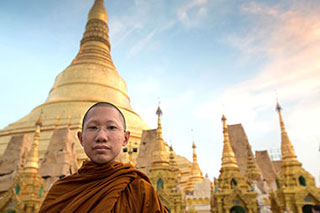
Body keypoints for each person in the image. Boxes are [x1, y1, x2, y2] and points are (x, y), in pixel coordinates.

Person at [39, 102, 167, 212]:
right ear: (81, 138)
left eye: (111, 127)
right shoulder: (61, 192)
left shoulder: (139, 189)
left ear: (126, 138)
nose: (101, 136)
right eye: (93, 127)